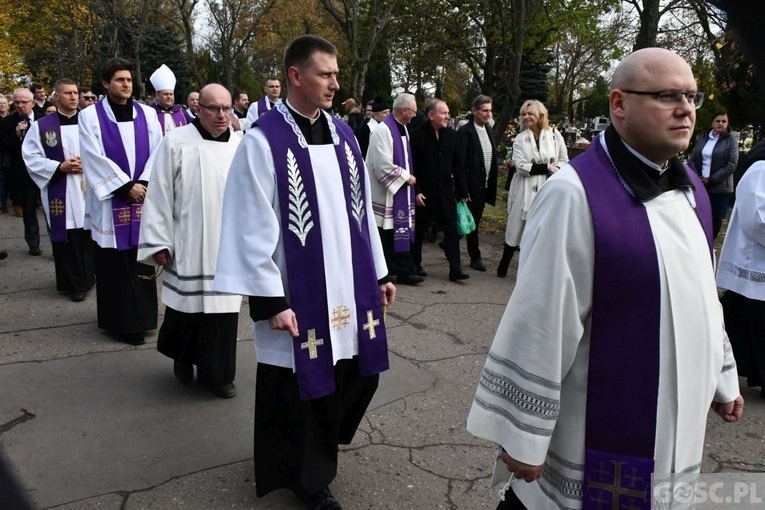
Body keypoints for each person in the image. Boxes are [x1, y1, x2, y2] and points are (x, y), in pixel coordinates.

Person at [466, 47, 743, 510]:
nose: (686, 110)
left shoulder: (692, 188)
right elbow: (542, 319)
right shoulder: (574, 194)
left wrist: (722, 373)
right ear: (618, 104)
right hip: (594, 437)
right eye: (666, 95)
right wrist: (524, 433)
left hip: (676, 428)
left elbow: (700, 297)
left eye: (691, 97)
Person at [213, 35, 394, 510]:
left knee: (359, 375)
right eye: (325, 74)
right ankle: (310, 481)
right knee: (304, 387)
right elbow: (250, 225)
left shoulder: (345, 136)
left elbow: (359, 217)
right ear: (296, 76)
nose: (336, 83)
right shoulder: (263, 141)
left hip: (349, 288)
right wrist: (270, 301)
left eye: (335, 74)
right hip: (298, 293)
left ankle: (317, 454)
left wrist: (379, 274)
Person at [138, 84, 242, 398]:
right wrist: (158, 241)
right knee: (187, 310)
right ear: (197, 109)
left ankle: (219, 375)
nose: (222, 115)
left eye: (227, 108)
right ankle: (182, 357)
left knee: (223, 314)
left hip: (227, 246)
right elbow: (158, 195)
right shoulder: (175, 143)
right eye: (214, 108)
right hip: (188, 242)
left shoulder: (241, 145)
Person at [79, 57, 163, 345]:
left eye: (128, 79)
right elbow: (92, 156)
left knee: (141, 259)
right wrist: (124, 186)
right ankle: (122, 323)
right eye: (119, 80)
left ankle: (145, 317)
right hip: (111, 201)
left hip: (143, 196)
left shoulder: (147, 115)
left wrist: (144, 183)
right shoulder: (90, 117)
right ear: (105, 84)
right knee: (116, 263)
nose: (126, 84)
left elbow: (158, 149)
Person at [22, 78, 95, 302]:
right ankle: (74, 283)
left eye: (75, 93)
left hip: (88, 186)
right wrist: (59, 166)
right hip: (62, 188)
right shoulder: (43, 127)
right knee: (69, 236)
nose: (73, 97)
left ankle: (90, 277)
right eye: (67, 93)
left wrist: (90, 163)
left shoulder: (91, 122)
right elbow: (30, 157)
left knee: (88, 235)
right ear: (56, 97)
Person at [497, 99, 568, 277]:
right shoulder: (520, 139)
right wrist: (546, 167)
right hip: (524, 187)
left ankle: (533, 271)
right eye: (524, 114)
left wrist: (556, 169)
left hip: (547, 186)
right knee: (516, 227)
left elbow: (563, 159)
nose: (526, 117)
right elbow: (521, 166)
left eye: (530, 113)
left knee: (542, 229)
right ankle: (504, 264)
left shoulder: (553, 135)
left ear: (540, 115)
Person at [716, 141, 765, 398]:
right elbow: (756, 218)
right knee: (751, 321)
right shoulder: (761, 166)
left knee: (739, 319)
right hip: (754, 258)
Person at [410, 99, 469, 281]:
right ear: (431, 115)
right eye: (443, 113)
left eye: (447, 112)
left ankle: (455, 269)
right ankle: (415, 265)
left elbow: (458, 165)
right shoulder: (417, 135)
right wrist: (416, 191)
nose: (447, 116)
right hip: (425, 193)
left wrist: (463, 190)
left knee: (451, 230)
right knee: (419, 231)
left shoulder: (452, 135)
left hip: (445, 192)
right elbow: (412, 166)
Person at [367, 92, 421, 285]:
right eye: (413, 112)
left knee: (400, 230)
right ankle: (387, 272)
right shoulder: (383, 130)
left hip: (401, 192)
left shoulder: (403, 128)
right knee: (387, 235)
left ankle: (404, 270)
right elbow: (381, 165)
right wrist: (406, 177)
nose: (415, 115)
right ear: (404, 110)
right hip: (386, 194)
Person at [455, 95, 498, 272]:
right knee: (472, 222)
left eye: (490, 110)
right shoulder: (465, 132)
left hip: (484, 184)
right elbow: (459, 163)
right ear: (474, 111)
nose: (488, 114)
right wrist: (463, 190)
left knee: (474, 221)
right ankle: (475, 257)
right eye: (485, 110)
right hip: (471, 186)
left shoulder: (488, 129)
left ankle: (449, 241)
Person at [0, 89, 41, 255]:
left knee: (52, 209)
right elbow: (6, 148)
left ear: (32, 102)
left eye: (24, 102)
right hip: (23, 172)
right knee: (29, 209)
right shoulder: (7, 122)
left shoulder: (44, 118)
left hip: (47, 170)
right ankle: (33, 244)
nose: (20, 105)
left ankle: (57, 243)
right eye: (17, 102)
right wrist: (17, 135)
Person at [688, 111, 738, 240]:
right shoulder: (703, 137)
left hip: (720, 187)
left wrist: (712, 179)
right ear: (712, 122)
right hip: (700, 185)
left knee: (715, 218)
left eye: (724, 121)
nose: (720, 124)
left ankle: (710, 243)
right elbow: (693, 158)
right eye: (718, 121)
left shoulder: (730, 140)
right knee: (699, 214)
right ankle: (699, 241)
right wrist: (697, 177)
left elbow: (732, 164)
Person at [148, 64, 188, 135]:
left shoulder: (182, 112)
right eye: (165, 94)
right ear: (157, 95)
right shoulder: (149, 113)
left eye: (171, 94)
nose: (169, 97)